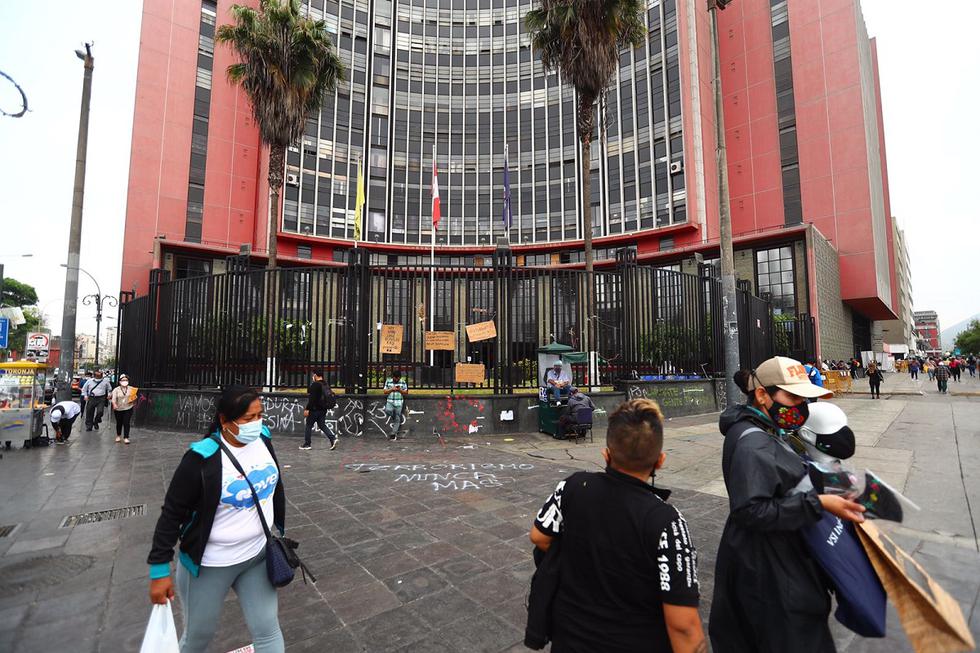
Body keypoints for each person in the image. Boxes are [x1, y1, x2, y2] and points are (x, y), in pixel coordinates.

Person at [709, 356, 866, 653]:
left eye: (804, 398)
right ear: (762, 395)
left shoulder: (767, 428)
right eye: (793, 397)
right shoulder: (751, 443)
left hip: (775, 560)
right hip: (768, 574)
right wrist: (819, 503)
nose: (800, 407)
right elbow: (750, 511)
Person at [530, 399, 706, 652]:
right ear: (660, 461)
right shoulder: (667, 522)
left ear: (606, 453)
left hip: (570, 638)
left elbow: (539, 536)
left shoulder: (574, 487)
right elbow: (684, 626)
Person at [147, 386, 286, 653]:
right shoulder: (202, 458)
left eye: (260, 415)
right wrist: (159, 570)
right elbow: (171, 514)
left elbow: (275, 486)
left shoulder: (264, 440)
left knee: (268, 631)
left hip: (256, 557)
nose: (256, 424)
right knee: (199, 637)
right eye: (247, 419)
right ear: (224, 420)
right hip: (210, 565)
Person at [301, 370, 337, 451]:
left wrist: (307, 409)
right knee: (322, 425)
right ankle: (333, 439)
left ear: (316, 375)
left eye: (313, 375)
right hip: (323, 409)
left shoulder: (315, 384)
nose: (312, 376)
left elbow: (312, 399)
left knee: (308, 425)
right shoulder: (325, 384)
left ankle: (307, 444)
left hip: (314, 409)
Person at [109, 374, 136, 443]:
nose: (125, 381)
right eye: (123, 380)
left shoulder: (131, 389)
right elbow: (113, 398)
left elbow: (134, 397)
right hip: (118, 409)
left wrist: (134, 399)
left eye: (126, 380)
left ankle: (126, 437)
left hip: (128, 408)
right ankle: (118, 435)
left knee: (126, 422)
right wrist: (114, 404)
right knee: (119, 422)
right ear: (120, 381)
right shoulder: (116, 389)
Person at [382, 370, 408, 440]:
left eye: (398, 378)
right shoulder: (388, 381)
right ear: (393, 377)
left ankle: (393, 433)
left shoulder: (403, 382)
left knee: (397, 418)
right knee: (388, 410)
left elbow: (406, 392)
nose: (396, 379)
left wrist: (400, 390)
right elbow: (384, 391)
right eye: (395, 378)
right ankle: (395, 417)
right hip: (390, 401)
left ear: (400, 377)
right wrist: (391, 389)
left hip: (399, 402)